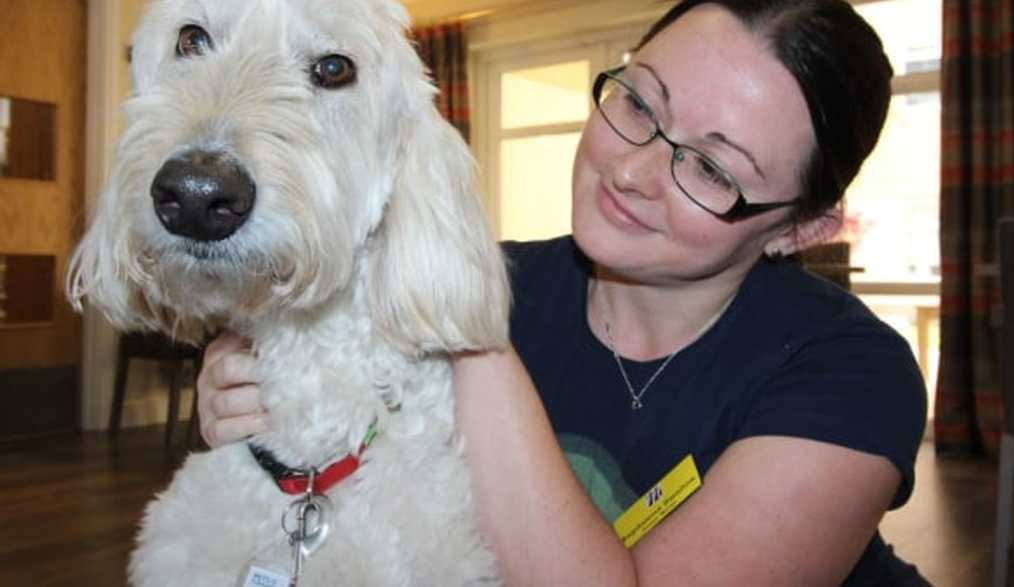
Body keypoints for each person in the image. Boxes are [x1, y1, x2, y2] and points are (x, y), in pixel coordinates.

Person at [197, 1, 929, 585]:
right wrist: (248, 388)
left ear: (800, 229)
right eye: (640, 104)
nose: (633, 172)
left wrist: (464, 311)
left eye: (710, 167)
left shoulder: (854, 374)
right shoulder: (497, 276)